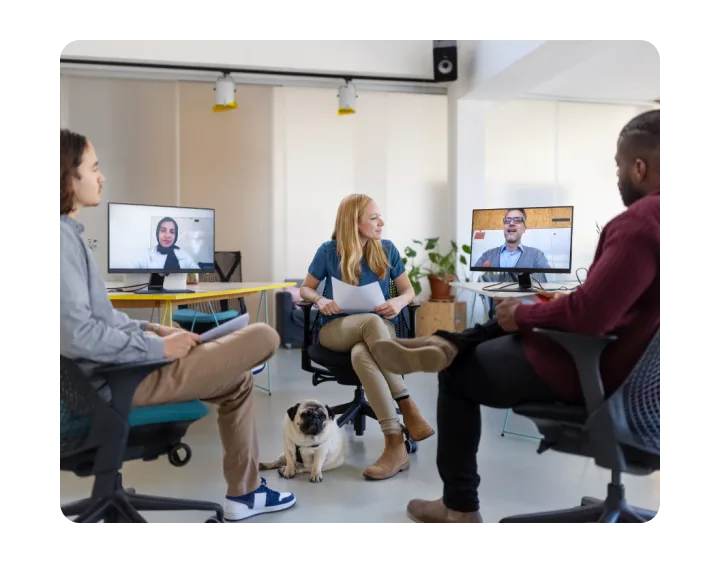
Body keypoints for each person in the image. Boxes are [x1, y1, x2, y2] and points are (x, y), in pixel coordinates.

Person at [369, 109, 663, 525]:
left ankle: (459, 508)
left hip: (602, 373)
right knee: (515, 315)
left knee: (459, 372)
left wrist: (529, 315)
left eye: (619, 166)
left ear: (639, 167)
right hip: (648, 382)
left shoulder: (640, 222)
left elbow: (588, 318)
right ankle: (446, 342)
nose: (618, 177)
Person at [56, 129, 296, 522]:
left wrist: (156, 332)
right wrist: (159, 350)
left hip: (107, 376)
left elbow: (103, 319)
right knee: (264, 334)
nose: (101, 177)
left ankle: (246, 493)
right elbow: (77, 335)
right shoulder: (60, 241)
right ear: (67, 176)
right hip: (115, 383)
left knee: (237, 381)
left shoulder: (68, 236)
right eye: (94, 168)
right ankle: (232, 361)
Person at [299, 193, 434, 481]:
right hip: (336, 329)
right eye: (374, 218)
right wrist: (320, 300)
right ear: (354, 222)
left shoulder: (386, 249)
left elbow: (408, 291)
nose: (381, 222)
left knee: (363, 353)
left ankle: (395, 444)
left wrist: (398, 302)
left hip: (377, 330)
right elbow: (305, 289)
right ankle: (407, 406)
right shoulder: (328, 251)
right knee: (370, 323)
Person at [473, 208, 552, 282]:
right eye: (507, 220)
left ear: (524, 229)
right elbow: (475, 280)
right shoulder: (488, 255)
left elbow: (549, 282)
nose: (511, 223)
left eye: (517, 220)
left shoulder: (537, 256)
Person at [134, 216, 200, 270]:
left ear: (176, 236)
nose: (167, 235)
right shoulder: (146, 255)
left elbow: (198, 274)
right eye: (163, 230)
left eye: (172, 232)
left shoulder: (183, 255)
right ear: (157, 233)